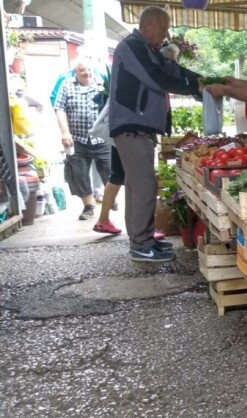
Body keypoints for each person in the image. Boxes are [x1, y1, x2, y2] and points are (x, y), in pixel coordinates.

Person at [109, 6, 203, 262]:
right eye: (163, 28)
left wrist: (202, 81)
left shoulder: (149, 51)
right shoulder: (131, 47)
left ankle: (143, 239)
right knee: (145, 186)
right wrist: (195, 87)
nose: (166, 34)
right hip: (131, 126)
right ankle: (140, 245)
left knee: (135, 186)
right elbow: (157, 78)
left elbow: (172, 70)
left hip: (139, 128)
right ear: (148, 25)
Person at [93, 43, 181, 237]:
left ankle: (138, 233)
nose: (173, 68)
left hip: (129, 132)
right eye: (172, 63)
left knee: (131, 180)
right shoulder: (148, 79)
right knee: (133, 181)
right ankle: (138, 235)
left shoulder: (154, 81)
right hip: (129, 133)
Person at [54, 60, 112, 221]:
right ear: (75, 72)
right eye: (82, 70)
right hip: (77, 138)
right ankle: (88, 206)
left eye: (88, 69)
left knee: (110, 171)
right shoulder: (66, 85)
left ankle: (109, 198)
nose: (86, 72)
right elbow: (60, 109)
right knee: (78, 173)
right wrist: (65, 132)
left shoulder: (102, 84)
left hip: (102, 138)